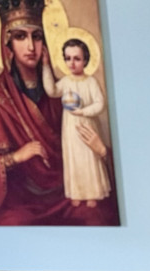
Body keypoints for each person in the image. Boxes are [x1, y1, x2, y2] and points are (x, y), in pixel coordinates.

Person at [0, 0, 117, 226]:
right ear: (7, 43)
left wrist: (102, 152)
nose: (31, 46)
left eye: (36, 37)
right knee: (14, 224)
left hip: (69, 189)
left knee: (98, 217)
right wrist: (15, 157)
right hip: (20, 202)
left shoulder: (62, 94)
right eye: (20, 37)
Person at [41, 38, 111, 208]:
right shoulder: (66, 81)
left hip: (87, 126)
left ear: (85, 60)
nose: (71, 63)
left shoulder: (91, 82)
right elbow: (52, 91)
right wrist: (45, 66)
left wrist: (83, 112)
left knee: (88, 158)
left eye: (77, 59)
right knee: (74, 158)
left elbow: (100, 103)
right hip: (70, 127)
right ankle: (77, 193)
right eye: (68, 58)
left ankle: (92, 193)